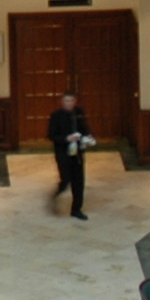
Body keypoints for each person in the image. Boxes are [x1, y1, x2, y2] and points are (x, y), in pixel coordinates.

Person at [48, 87, 92, 220]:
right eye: (67, 101)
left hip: (77, 153)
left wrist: (88, 138)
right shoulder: (56, 116)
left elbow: (84, 128)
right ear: (62, 102)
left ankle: (76, 209)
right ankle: (57, 193)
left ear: (75, 101)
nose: (69, 103)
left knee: (79, 182)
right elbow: (52, 135)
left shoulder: (79, 113)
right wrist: (66, 138)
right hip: (63, 153)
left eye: (71, 100)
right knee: (66, 179)